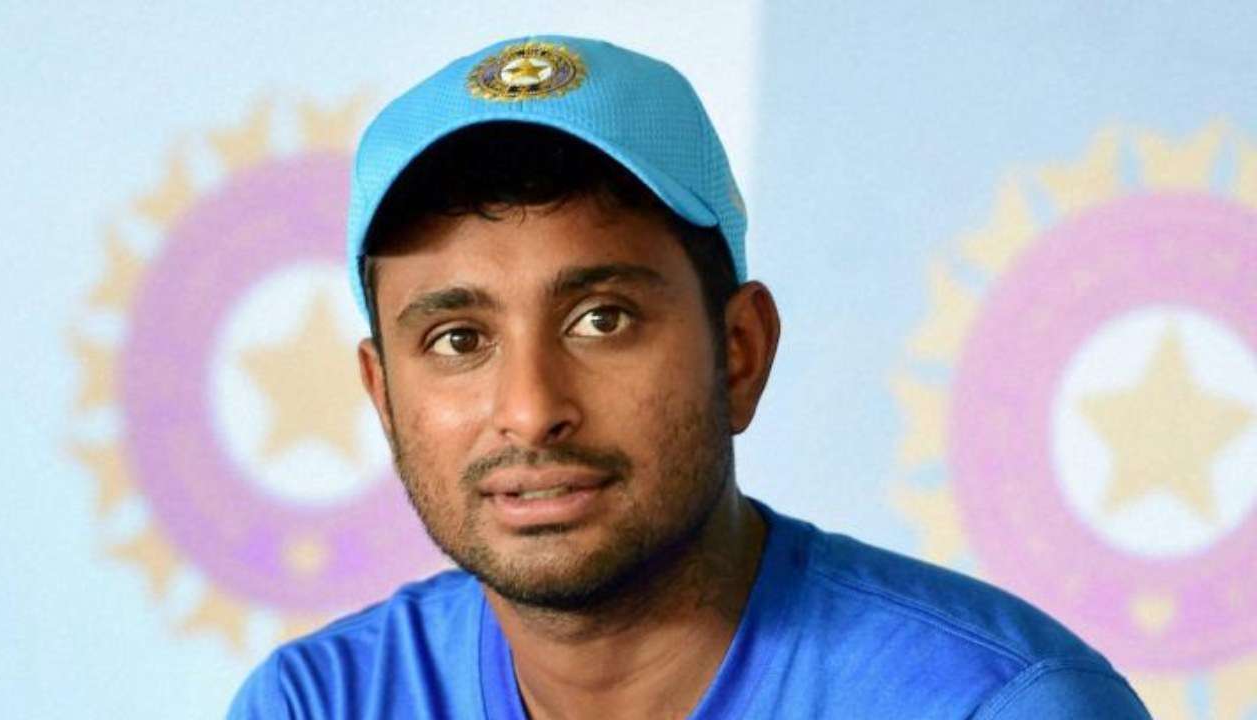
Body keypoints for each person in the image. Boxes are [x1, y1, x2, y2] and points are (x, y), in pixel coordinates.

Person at [229, 35, 1150, 719]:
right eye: (458, 338)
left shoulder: (997, 708)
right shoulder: (319, 704)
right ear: (384, 395)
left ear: (740, 350)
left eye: (602, 320)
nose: (531, 410)